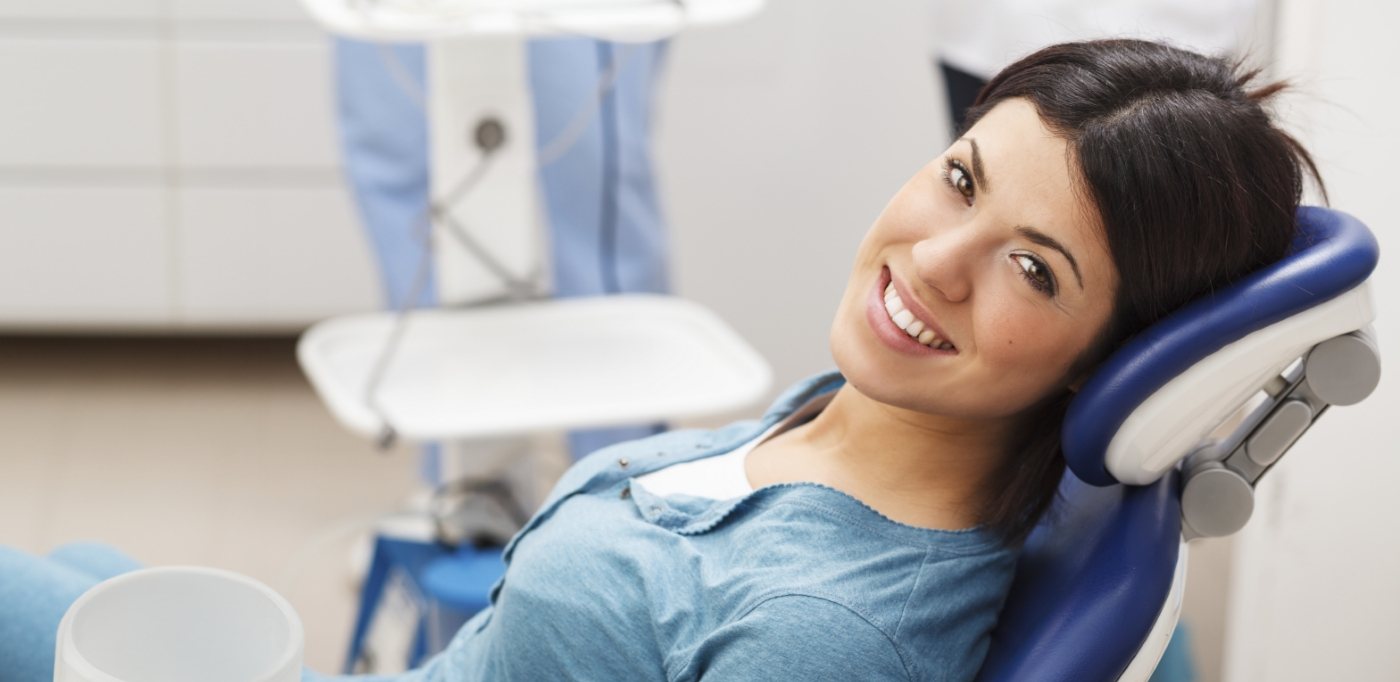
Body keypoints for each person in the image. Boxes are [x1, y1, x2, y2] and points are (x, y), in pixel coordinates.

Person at [0, 39, 1322, 681]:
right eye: (961, 178)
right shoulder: (860, 421)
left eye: (1035, 267)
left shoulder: (827, 635)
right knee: (93, 582)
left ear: (1118, 347)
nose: (933, 259)